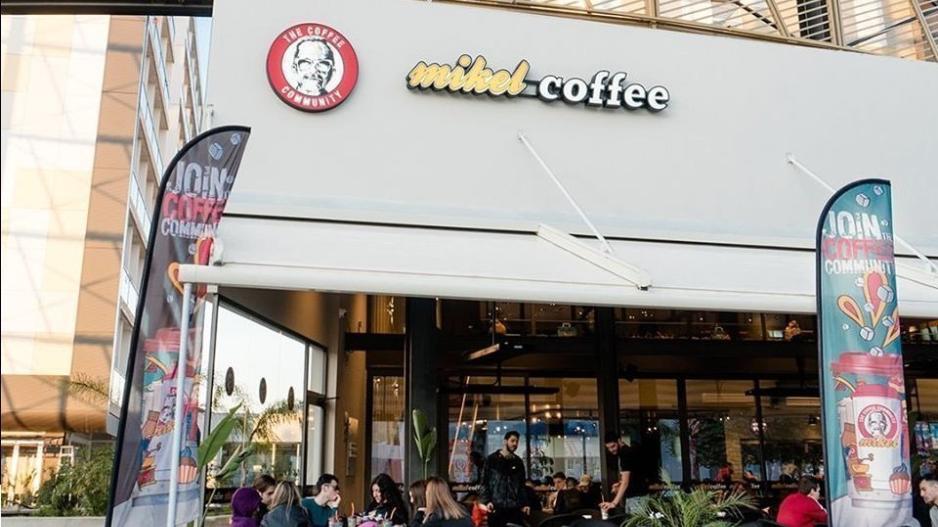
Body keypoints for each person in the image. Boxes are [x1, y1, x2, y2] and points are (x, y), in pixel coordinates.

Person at [479, 430, 530, 527]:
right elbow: (484, 482)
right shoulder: (491, 460)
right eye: (512, 441)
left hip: (514, 508)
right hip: (496, 506)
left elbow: (521, 485)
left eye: (517, 441)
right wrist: (487, 501)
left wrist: (524, 503)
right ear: (505, 441)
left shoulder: (518, 462)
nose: (515, 444)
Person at [600, 432, 647, 514]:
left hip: (637, 498)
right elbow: (633, 475)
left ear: (619, 441)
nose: (611, 450)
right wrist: (619, 483)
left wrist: (614, 503)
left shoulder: (625, 454)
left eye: (613, 446)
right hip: (636, 497)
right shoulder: (626, 452)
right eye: (608, 448)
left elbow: (625, 482)